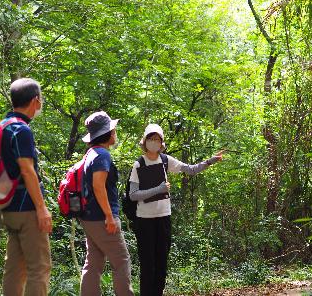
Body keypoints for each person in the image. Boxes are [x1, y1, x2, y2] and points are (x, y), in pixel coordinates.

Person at [129, 124, 223, 296]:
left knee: (162, 264)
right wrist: (159, 189)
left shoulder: (165, 160)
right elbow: (133, 195)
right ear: (145, 141)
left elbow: (190, 169)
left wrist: (210, 161)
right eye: (151, 139)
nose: (154, 142)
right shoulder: (139, 164)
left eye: (157, 139)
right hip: (144, 220)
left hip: (163, 218)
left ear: (162, 142)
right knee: (147, 265)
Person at [1, 78, 52, 296]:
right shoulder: (21, 130)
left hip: (8, 206)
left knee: (15, 268)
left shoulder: (3, 126)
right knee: (39, 268)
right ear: (35, 101)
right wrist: (41, 208)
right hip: (27, 208)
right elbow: (27, 170)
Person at [79, 111, 134, 296]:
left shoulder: (90, 154)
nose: (115, 133)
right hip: (102, 218)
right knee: (122, 260)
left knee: (93, 263)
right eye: (114, 130)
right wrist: (109, 216)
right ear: (107, 133)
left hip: (88, 217)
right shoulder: (102, 155)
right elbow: (98, 186)